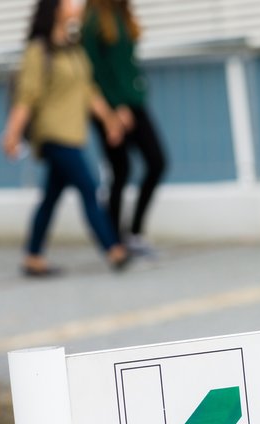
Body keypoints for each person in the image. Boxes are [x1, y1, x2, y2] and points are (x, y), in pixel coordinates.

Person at [2, 0, 129, 276]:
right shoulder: (38, 52)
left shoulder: (73, 48)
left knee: (50, 198)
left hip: (74, 134)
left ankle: (33, 256)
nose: (76, 5)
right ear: (55, 8)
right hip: (52, 135)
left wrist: (109, 120)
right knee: (88, 187)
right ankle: (114, 250)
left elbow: (88, 91)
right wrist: (12, 133)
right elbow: (26, 98)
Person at [82, 0, 168, 256]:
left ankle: (133, 232)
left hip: (135, 103)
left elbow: (127, 65)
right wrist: (114, 108)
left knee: (156, 162)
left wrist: (136, 94)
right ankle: (114, 241)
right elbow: (94, 72)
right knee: (120, 170)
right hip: (110, 108)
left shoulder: (123, 16)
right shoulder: (93, 22)